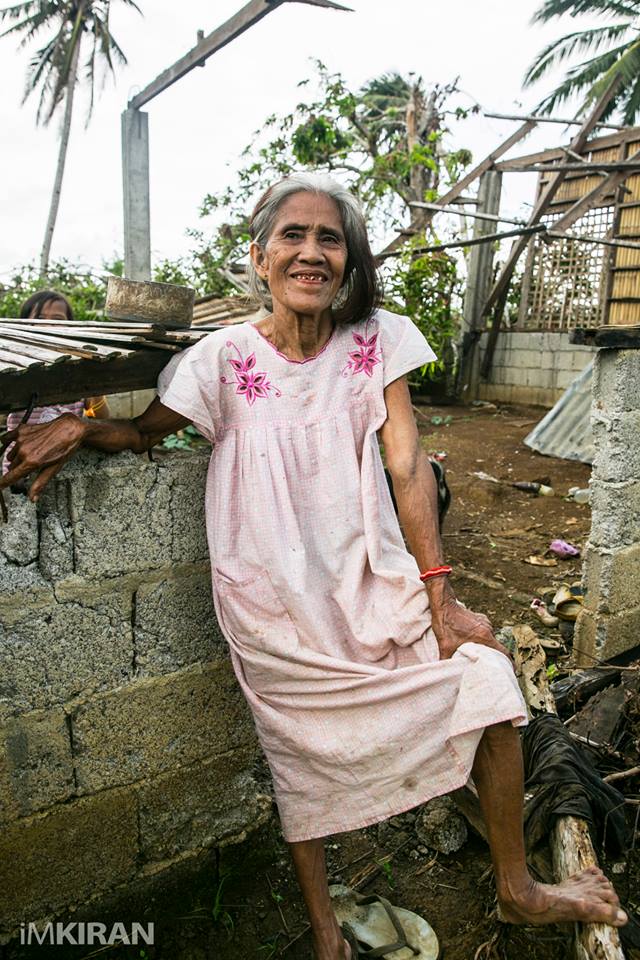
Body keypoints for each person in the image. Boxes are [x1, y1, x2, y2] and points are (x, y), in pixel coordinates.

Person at [0, 174, 627, 959]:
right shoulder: (220, 358)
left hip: (370, 577)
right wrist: (80, 432)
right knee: (299, 757)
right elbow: (147, 432)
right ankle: (327, 935)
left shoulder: (378, 341)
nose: (312, 252)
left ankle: (518, 890)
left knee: (489, 682)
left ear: (350, 260)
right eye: (292, 236)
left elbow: (406, 464)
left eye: (330, 238)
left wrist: (441, 599)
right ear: (259, 256)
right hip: (270, 597)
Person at [1, 290, 110, 476]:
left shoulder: (77, 368)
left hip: (64, 469)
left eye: (57, 318)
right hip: (18, 468)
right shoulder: (15, 367)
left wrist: (93, 385)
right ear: (24, 324)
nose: (49, 324)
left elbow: (103, 417)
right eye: (40, 318)